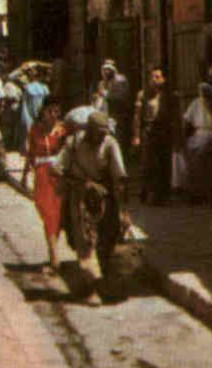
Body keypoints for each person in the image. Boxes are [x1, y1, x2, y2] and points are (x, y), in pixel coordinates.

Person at [53, 111, 129, 306]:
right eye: (99, 133)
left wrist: (123, 210)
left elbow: (119, 178)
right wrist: (81, 183)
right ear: (89, 131)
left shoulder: (110, 144)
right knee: (84, 241)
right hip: (80, 198)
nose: (102, 137)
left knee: (106, 239)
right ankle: (91, 288)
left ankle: (99, 280)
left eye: (105, 133)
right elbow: (56, 168)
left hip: (104, 199)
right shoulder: (74, 143)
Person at [21, 95, 67, 273]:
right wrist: (25, 175)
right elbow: (31, 154)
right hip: (42, 176)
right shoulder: (35, 130)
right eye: (51, 111)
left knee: (57, 216)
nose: (54, 115)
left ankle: (53, 257)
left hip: (59, 174)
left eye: (57, 111)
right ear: (44, 111)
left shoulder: (62, 131)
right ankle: (54, 257)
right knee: (48, 214)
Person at [181, 81, 212, 204]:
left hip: (211, 134)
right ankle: (191, 189)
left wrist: (211, 109)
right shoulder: (195, 103)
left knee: (206, 146)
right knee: (188, 154)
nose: (204, 96)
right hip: (198, 134)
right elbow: (186, 121)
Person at [132, 66, 173, 205]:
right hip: (149, 131)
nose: (154, 80)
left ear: (163, 79)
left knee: (164, 164)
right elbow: (137, 117)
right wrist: (136, 136)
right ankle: (145, 193)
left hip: (164, 131)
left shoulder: (167, 96)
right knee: (148, 163)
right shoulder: (143, 95)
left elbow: (174, 117)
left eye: (157, 77)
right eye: (152, 77)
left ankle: (162, 196)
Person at [93, 60, 131, 153]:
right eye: (105, 69)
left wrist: (106, 94)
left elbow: (121, 97)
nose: (106, 72)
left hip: (115, 116)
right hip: (103, 116)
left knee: (116, 142)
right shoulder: (101, 83)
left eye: (109, 69)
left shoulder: (120, 81)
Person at [17, 66, 49, 154]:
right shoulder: (28, 87)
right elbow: (25, 103)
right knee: (29, 131)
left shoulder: (44, 88)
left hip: (40, 112)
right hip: (29, 111)